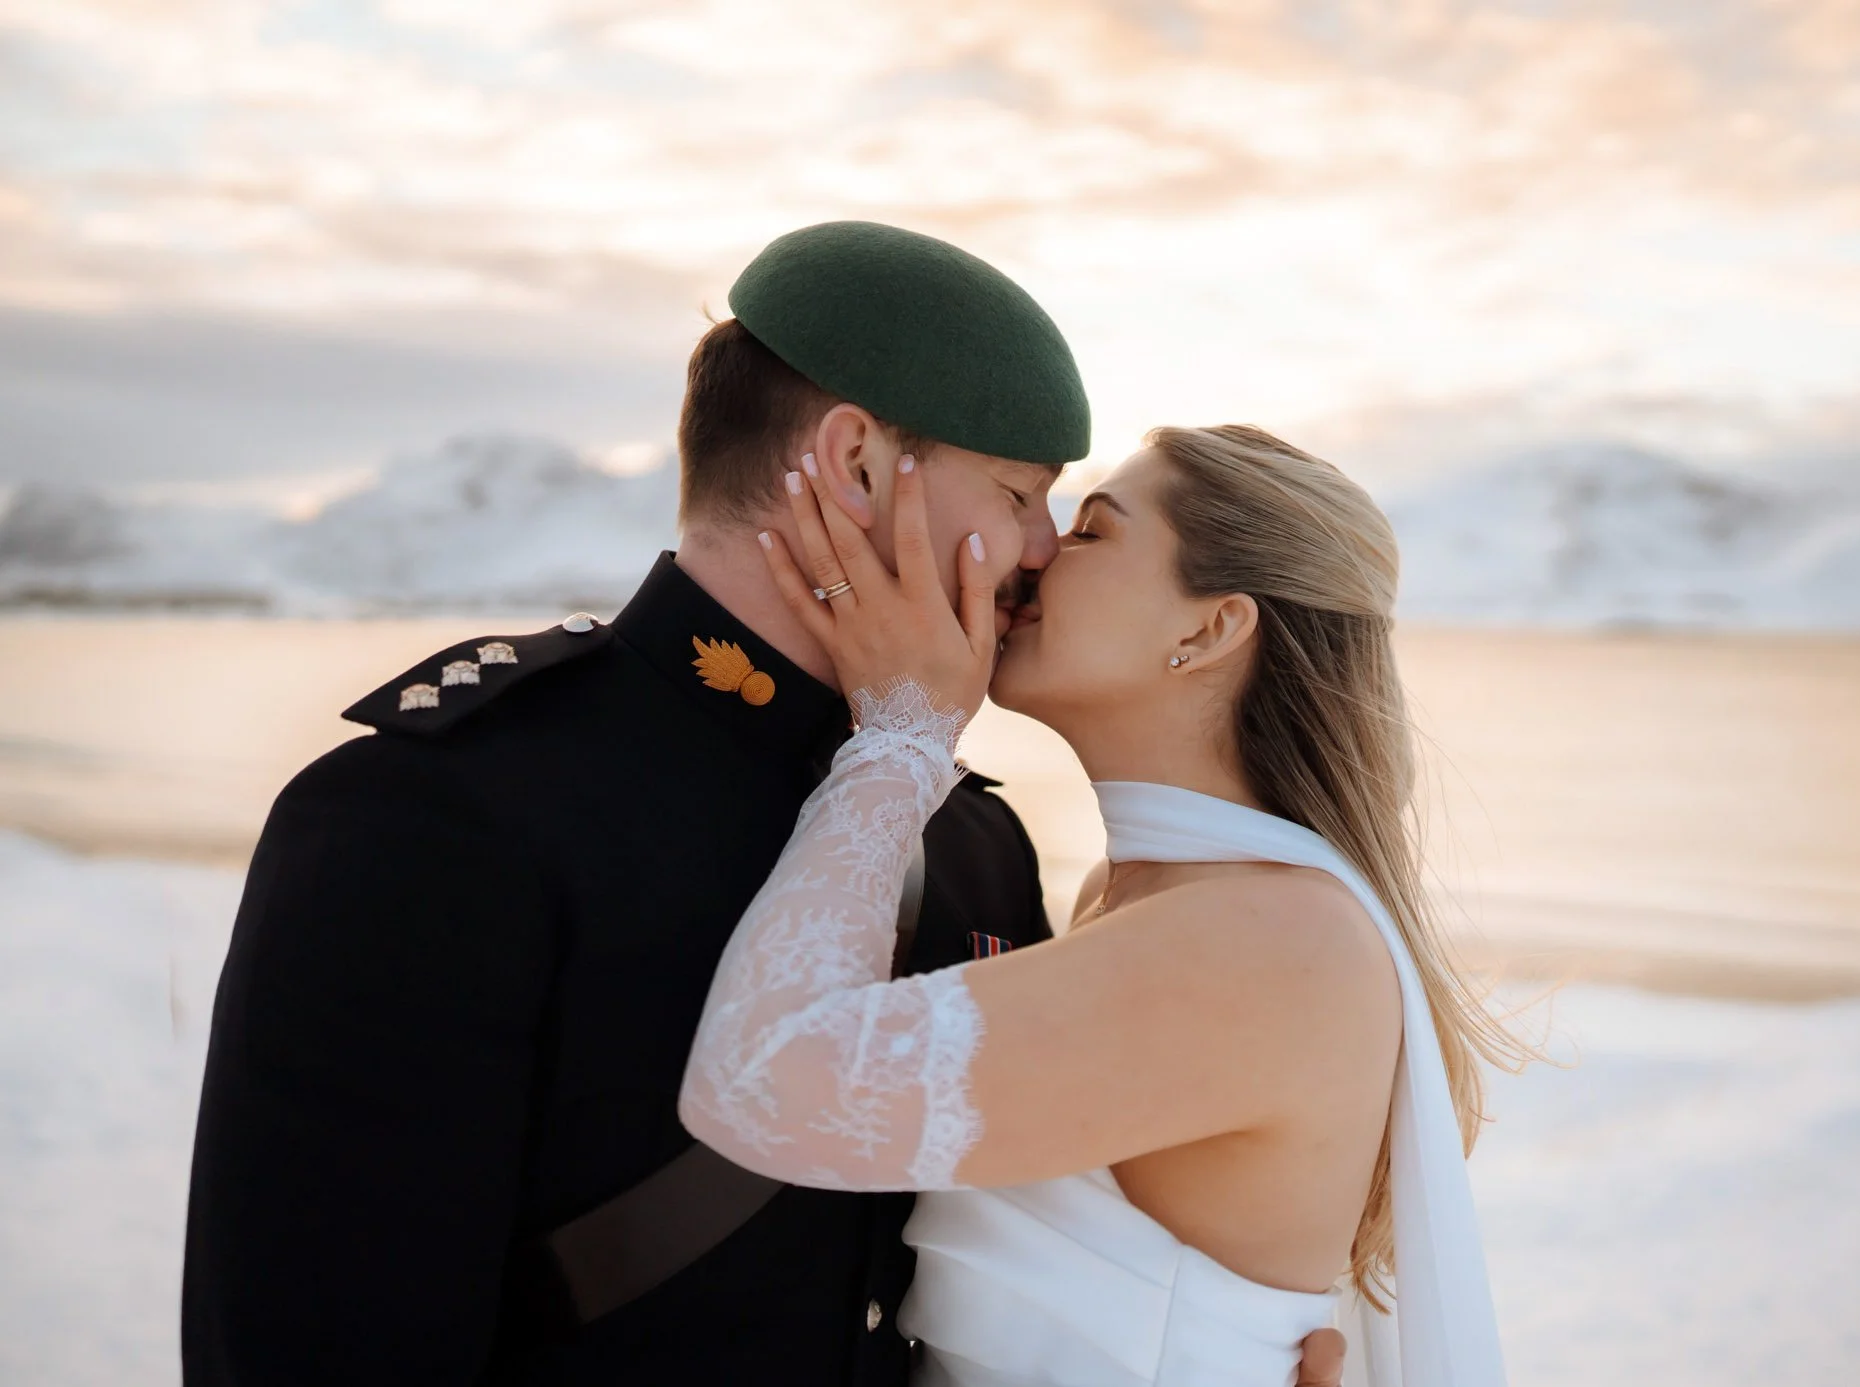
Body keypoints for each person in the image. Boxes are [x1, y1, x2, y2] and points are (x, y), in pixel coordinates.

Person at [182, 221, 1343, 1386]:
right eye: (1017, 495)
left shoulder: (973, 842)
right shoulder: (435, 814)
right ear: (854, 464)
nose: (1041, 550)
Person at [677, 423, 1528, 1386]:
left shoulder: (1265, 942)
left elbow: (761, 1083)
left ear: (1208, 629)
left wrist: (903, 737)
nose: (1035, 556)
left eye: (1091, 530)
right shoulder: (1150, 900)